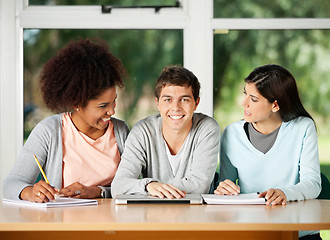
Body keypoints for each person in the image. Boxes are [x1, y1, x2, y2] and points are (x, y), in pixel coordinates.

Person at [3, 38, 129, 202]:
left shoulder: (120, 131)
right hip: (64, 222)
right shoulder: (49, 130)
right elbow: (10, 184)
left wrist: (98, 191)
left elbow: (132, 186)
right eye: (103, 105)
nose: (112, 111)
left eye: (114, 101)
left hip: (112, 224)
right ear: (76, 103)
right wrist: (30, 192)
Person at [215, 64, 321, 239]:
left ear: (275, 105)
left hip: (298, 233)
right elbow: (226, 183)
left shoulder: (303, 128)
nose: (244, 103)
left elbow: (313, 183)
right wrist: (223, 189)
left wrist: (285, 193)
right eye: (245, 94)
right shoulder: (231, 133)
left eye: (253, 99)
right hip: (250, 232)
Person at [111, 65, 221, 199]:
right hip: (154, 216)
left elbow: (199, 186)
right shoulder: (143, 131)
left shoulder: (207, 128)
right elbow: (118, 186)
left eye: (184, 99)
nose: (176, 108)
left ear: (196, 103)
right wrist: (148, 186)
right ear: (157, 103)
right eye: (168, 100)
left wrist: (155, 190)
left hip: (196, 214)